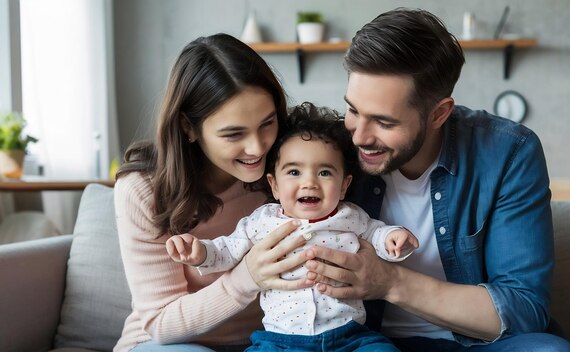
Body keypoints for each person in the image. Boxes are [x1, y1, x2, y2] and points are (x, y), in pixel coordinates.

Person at [302, 8, 570, 351]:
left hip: (476, 344)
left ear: (439, 114)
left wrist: (388, 282)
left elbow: (524, 311)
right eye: (353, 110)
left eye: (384, 122)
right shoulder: (331, 150)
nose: (358, 136)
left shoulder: (508, 152)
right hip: (364, 343)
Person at [113, 33, 313, 352]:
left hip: (266, 344)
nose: (257, 147)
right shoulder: (142, 189)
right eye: (233, 134)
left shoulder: (288, 171)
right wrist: (248, 276)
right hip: (166, 345)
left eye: (267, 123)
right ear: (188, 127)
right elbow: (161, 325)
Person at [166, 103, 419, 352]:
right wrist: (200, 253)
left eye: (325, 173)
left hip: (349, 337)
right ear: (274, 185)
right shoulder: (261, 221)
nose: (309, 182)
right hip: (279, 339)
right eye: (295, 172)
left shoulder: (350, 216)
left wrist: (392, 238)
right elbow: (228, 250)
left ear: (344, 185)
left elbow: (375, 233)